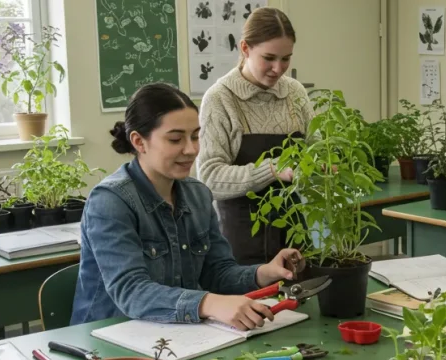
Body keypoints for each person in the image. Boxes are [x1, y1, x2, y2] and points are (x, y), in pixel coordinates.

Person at [71, 83, 305, 330]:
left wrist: (263, 273)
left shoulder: (198, 194)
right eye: (175, 139)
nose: (191, 149)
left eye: (195, 136)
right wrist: (210, 304)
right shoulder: (110, 201)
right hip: (106, 341)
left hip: (175, 334)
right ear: (139, 142)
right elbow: (131, 292)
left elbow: (217, 273)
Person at [195, 6, 314, 265]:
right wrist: (272, 171)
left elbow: (312, 148)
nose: (278, 68)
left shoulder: (295, 93)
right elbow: (209, 179)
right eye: (268, 58)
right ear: (245, 48)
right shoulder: (220, 99)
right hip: (240, 239)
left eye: (286, 59)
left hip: (293, 229)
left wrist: (321, 162)